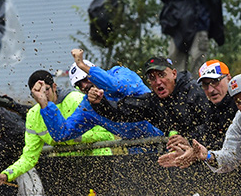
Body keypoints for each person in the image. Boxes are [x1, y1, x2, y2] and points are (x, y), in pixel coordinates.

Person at [0, 70, 115, 187]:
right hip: (69, 172)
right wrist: (6, 174)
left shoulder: (77, 100)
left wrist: (73, 138)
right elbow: (29, 157)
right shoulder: (33, 115)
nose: (42, 95)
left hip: (98, 164)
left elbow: (107, 135)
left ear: (54, 87)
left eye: (46, 90)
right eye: (36, 92)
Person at [87, 56, 219, 146]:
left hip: (212, 153)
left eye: (162, 75)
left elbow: (212, 124)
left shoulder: (194, 91)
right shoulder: (152, 102)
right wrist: (99, 102)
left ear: (174, 74)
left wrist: (188, 139)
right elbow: (120, 112)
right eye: (152, 78)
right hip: (180, 157)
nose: (158, 82)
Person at [41, 52, 162, 143]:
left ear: (93, 71)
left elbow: (116, 87)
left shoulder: (119, 72)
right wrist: (45, 104)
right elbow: (62, 134)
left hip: (165, 138)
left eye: (85, 79)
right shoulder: (88, 106)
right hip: (138, 149)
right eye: (79, 85)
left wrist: (82, 65)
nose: (84, 86)